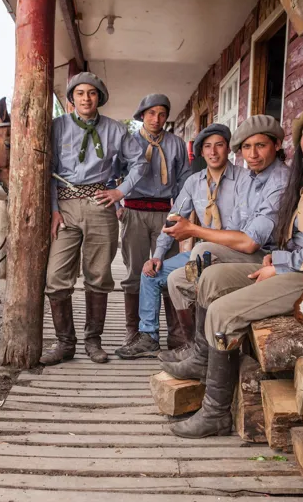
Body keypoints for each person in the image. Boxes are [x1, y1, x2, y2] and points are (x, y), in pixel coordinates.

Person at [170, 102, 303, 438]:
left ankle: (215, 412)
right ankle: (204, 357)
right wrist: (274, 259)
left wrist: (278, 263)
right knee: (211, 276)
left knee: (220, 311)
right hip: (290, 265)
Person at [124, 117, 289, 363]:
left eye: (220, 144)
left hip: (236, 250)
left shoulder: (247, 179)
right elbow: (173, 220)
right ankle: (167, 340)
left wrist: (194, 232)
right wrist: (157, 255)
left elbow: (247, 238)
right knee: (157, 274)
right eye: (207, 146)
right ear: (200, 151)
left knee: (201, 253)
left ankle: (197, 344)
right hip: (208, 249)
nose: (213, 151)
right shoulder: (194, 182)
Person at [40, 72, 147, 365]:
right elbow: (47, 170)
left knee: (99, 275)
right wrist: (53, 209)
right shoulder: (56, 127)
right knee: (55, 278)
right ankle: (65, 343)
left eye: (92, 93)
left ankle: (93, 340)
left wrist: (119, 192)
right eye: (80, 93)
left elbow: (139, 162)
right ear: (71, 98)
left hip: (101, 205)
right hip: (66, 204)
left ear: (99, 97)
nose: (86, 98)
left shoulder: (115, 130)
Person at [114, 94, 191, 356]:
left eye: (161, 114)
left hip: (165, 214)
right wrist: (118, 208)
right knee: (135, 272)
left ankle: (176, 335)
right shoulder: (129, 142)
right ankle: (134, 332)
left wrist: (181, 214)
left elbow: (184, 180)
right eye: (150, 113)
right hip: (133, 213)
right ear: (141, 115)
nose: (156, 119)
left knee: (166, 273)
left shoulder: (176, 144)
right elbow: (111, 174)